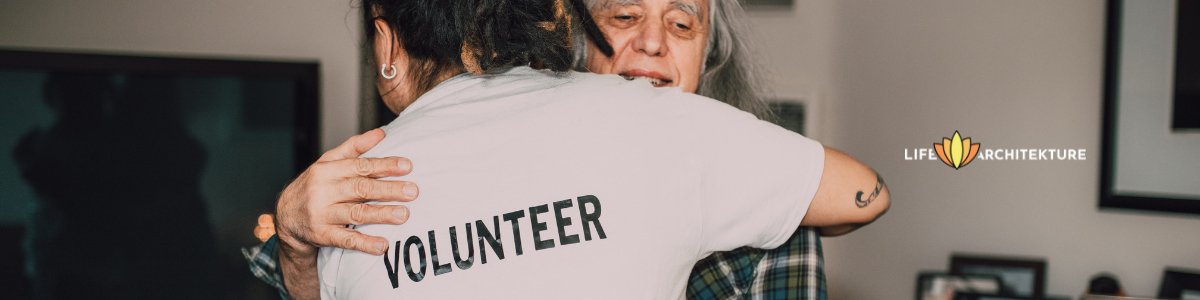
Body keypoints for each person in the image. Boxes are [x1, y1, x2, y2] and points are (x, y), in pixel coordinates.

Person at [247, 0, 863, 298]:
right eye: (624, 16)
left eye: (682, 25)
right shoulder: (424, 166)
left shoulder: (776, 213)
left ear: (709, 57)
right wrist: (296, 242)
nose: (652, 44)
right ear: (569, 37)